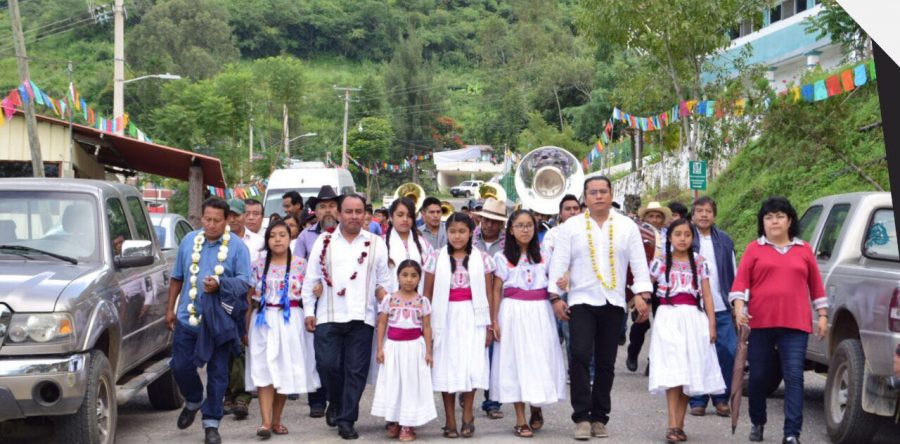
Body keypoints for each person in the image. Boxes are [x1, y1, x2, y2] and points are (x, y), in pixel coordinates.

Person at [548, 176, 653, 440]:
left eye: (603, 191)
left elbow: (639, 264)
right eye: (592, 192)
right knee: (580, 354)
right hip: (581, 300)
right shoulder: (571, 227)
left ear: (611, 194)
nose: (598, 196)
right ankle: (581, 417)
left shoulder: (627, 226)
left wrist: (642, 294)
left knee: (606, 362)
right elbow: (558, 265)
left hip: (614, 301)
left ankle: (599, 417)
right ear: (585, 197)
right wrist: (556, 298)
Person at [730, 196, 828, 444]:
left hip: (795, 324)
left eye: (780, 216)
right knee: (760, 376)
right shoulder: (755, 249)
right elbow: (740, 284)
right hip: (760, 323)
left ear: (789, 221)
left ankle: (792, 433)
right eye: (769, 217)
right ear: (762, 222)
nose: (774, 221)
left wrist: (823, 316)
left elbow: (816, 285)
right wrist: (739, 308)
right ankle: (758, 421)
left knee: (794, 377)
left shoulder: (803, 249)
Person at [301, 194, 391, 440]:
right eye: (349, 211)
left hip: (363, 317)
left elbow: (384, 282)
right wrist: (309, 310)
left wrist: (389, 305)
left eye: (358, 211)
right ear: (339, 214)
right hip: (328, 315)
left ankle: (347, 420)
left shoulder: (376, 243)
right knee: (328, 365)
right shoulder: (324, 241)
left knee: (356, 371)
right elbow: (311, 280)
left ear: (365, 215)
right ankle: (336, 400)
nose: (354, 216)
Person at [166, 198, 251, 444]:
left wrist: (221, 283)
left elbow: (245, 283)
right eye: (207, 219)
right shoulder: (189, 241)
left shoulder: (237, 247)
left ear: (226, 221)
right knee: (180, 366)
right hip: (187, 319)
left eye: (217, 220)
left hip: (219, 324)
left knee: (217, 374)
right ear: (201, 218)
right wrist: (170, 310)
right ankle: (193, 399)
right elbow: (177, 278)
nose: (211, 224)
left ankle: (211, 423)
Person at [647, 218, 725, 443]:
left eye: (687, 235)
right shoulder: (661, 261)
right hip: (669, 317)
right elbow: (646, 284)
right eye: (678, 234)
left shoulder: (700, 262)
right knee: (674, 371)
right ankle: (672, 424)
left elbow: (708, 294)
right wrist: (638, 301)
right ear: (669, 237)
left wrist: (711, 323)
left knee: (688, 372)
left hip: (694, 319)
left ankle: (679, 425)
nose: (682, 239)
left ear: (693, 238)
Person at [490, 210, 566, 438]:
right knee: (515, 362)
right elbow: (496, 290)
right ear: (511, 230)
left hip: (540, 313)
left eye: (529, 226)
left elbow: (556, 280)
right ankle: (520, 418)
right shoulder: (502, 258)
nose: (525, 230)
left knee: (539, 359)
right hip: (513, 313)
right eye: (520, 226)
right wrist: (494, 320)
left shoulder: (545, 254)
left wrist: (563, 282)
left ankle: (537, 406)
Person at [245, 220, 320, 438]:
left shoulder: (301, 264)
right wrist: (245, 325)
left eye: (282, 235)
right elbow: (249, 298)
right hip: (263, 322)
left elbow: (310, 292)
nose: (277, 239)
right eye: (273, 235)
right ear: (267, 240)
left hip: (291, 321)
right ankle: (265, 422)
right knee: (264, 369)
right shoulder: (258, 264)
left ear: (290, 238)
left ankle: (277, 420)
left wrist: (318, 289)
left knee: (284, 370)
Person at [425, 212, 494, 439]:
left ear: (471, 233)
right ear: (447, 232)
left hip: (473, 317)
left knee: (470, 365)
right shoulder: (436, 257)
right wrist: (426, 326)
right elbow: (427, 294)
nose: (457, 236)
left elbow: (488, 293)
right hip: (444, 317)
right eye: (452, 231)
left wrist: (490, 325)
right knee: (446, 366)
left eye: (462, 231)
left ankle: (467, 415)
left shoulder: (481, 258)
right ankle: (450, 419)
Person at [371, 260, 437, 442]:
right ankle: (396, 421)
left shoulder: (422, 301)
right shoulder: (389, 299)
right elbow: (382, 323)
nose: (409, 280)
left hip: (414, 348)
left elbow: (427, 327)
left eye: (414, 275)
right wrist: (379, 348)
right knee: (394, 382)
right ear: (398, 276)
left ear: (419, 279)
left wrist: (429, 352)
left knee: (410, 384)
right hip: (393, 347)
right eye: (405, 275)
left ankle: (408, 424)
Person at [292, 185, 340, 418]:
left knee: (337, 357)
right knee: (316, 355)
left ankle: (336, 398)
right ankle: (317, 400)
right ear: (316, 211)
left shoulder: (348, 234)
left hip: (341, 303)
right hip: (314, 303)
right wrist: (312, 287)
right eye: (323, 207)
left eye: (332, 205)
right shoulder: (305, 237)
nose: (328, 210)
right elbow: (297, 271)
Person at [688, 196, 738, 418]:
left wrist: (737, 304)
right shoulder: (685, 237)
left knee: (727, 351)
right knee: (698, 353)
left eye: (708, 211)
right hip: (695, 307)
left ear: (714, 215)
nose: (704, 215)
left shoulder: (725, 240)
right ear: (693, 215)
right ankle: (698, 399)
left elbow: (735, 273)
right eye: (699, 211)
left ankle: (721, 398)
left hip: (722, 304)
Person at [221, 199, 264, 420]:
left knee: (241, 347)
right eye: (231, 215)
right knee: (224, 348)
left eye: (239, 214)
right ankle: (228, 393)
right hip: (220, 300)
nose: (235, 219)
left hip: (248, 301)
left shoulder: (257, 242)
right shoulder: (218, 241)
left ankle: (242, 396)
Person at [625, 201, 670, 373]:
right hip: (644, 281)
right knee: (641, 321)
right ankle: (633, 352)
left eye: (658, 216)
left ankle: (654, 362)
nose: (655, 220)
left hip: (663, 283)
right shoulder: (637, 233)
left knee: (661, 323)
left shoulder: (669, 235)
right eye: (651, 216)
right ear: (645, 218)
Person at [472, 197, 507, 419]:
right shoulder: (469, 239)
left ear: (501, 224)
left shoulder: (508, 244)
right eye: (486, 220)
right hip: (470, 301)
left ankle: (492, 401)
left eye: (494, 222)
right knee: (471, 350)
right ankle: (466, 391)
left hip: (500, 302)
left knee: (494, 352)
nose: (489, 225)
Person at [542, 194, 582, 369]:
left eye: (576, 208)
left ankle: (583, 370)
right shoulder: (552, 235)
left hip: (582, 288)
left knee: (579, 333)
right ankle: (565, 369)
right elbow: (547, 262)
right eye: (568, 209)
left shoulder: (589, 232)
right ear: (560, 214)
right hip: (560, 288)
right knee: (563, 331)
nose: (572, 212)